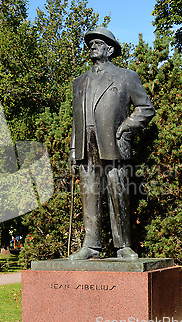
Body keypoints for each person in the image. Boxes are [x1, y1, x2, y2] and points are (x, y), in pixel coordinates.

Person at [68, 27, 155, 260]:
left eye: (98, 42)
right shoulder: (79, 82)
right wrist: (74, 151)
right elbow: (76, 119)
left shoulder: (126, 77)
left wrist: (126, 127)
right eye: (91, 42)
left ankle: (123, 245)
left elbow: (145, 108)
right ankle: (91, 245)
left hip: (113, 143)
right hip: (87, 145)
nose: (92, 46)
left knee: (118, 194)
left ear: (110, 48)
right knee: (90, 194)